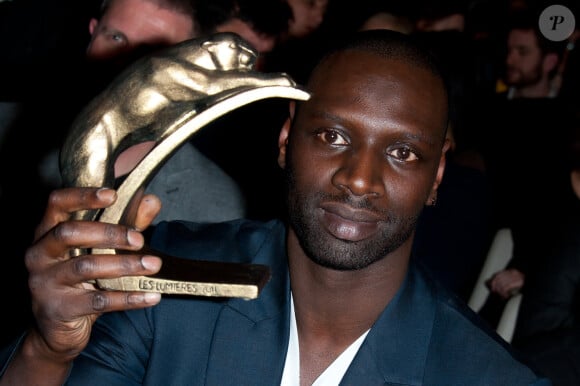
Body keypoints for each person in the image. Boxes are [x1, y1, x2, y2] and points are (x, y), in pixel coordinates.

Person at [0, 30, 550, 385]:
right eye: (333, 137)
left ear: (437, 178)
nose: (360, 179)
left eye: (402, 152)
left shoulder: (485, 376)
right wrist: (48, 351)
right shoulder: (158, 284)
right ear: (287, 140)